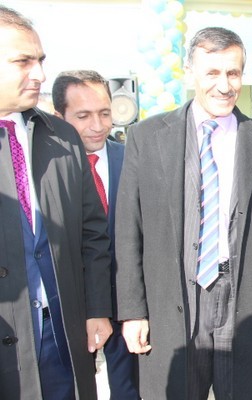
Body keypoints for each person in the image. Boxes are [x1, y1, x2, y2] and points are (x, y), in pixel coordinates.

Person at [115, 27, 252, 400]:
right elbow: (129, 229)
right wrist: (133, 311)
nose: (224, 85)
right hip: (173, 302)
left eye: (233, 73)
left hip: (244, 303)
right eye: (212, 72)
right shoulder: (147, 137)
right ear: (189, 72)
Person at [0, 6, 113, 400]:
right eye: (23, 61)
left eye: (41, 60)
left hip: (62, 335)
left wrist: (97, 308)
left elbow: (92, 233)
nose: (40, 74)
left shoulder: (62, 137)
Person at [52, 70, 140, 400]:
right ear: (58, 116)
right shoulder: (44, 169)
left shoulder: (133, 159)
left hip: (127, 307)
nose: (98, 125)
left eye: (105, 113)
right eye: (83, 116)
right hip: (70, 309)